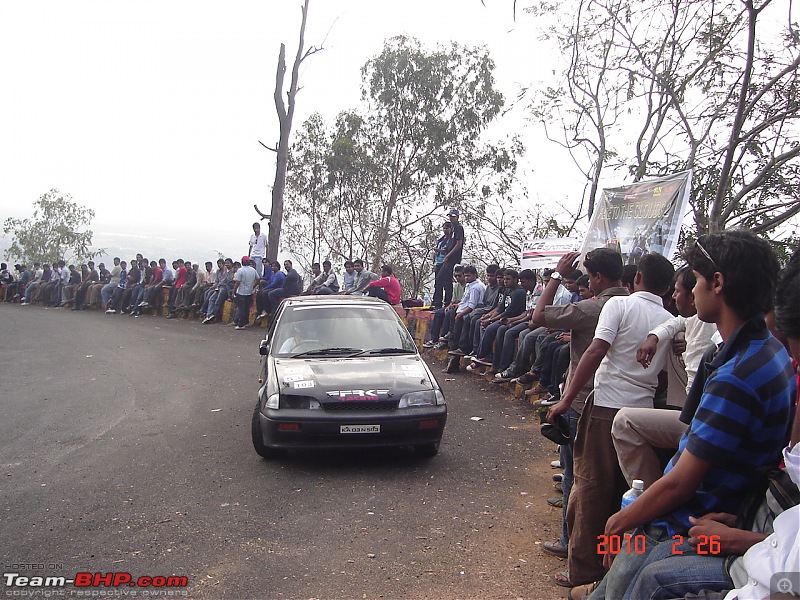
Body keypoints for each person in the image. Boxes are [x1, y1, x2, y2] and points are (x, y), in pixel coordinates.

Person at [586, 231, 795, 600]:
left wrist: (621, 521)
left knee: (620, 579)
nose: (692, 290)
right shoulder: (763, 349)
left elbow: (682, 483)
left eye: (697, 280)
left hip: (690, 519)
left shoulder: (738, 375)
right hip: (715, 504)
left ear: (718, 284)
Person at [546, 252, 675, 590]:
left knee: (591, 491)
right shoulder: (667, 318)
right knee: (626, 493)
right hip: (644, 415)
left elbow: (595, 351)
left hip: (606, 409)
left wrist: (565, 399)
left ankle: (584, 572)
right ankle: (614, 567)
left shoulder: (620, 306)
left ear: (637, 279)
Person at [611, 265, 719, 488]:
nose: (673, 296)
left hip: (701, 423)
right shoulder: (692, 320)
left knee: (625, 422)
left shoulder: (713, 340)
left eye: (678, 291)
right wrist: (653, 337)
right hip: (692, 413)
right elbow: (676, 322)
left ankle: (649, 498)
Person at [432, 209, 465, 309]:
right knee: (446, 280)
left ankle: (439, 303)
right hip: (447, 259)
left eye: (453, 216)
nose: (451, 218)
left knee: (441, 279)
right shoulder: (453, 230)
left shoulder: (459, 228)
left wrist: (448, 255)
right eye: (450, 216)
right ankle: (445, 303)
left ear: (457, 217)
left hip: (452, 259)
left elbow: (459, 244)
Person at [430, 221, 454, 308]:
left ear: (451, 229)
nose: (445, 230)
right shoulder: (441, 239)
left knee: (446, 282)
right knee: (437, 282)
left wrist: (438, 251)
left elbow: (447, 250)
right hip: (438, 262)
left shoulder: (451, 240)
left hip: (446, 262)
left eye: (447, 228)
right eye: (444, 228)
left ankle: (446, 302)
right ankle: (437, 300)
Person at [232, 256, 258, 330]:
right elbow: (258, 279)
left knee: (241, 308)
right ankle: (246, 322)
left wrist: (233, 292)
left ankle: (241, 324)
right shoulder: (253, 270)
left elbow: (237, 282)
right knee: (246, 308)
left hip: (241, 292)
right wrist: (253, 286)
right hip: (249, 292)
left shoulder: (240, 270)